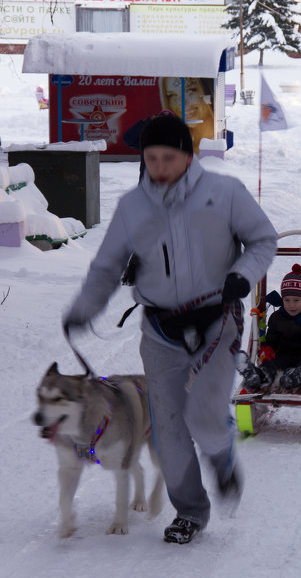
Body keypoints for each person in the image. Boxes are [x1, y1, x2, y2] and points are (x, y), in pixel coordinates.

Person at [62, 112, 278, 545]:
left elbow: (262, 240)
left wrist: (242, 273)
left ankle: (222, 456)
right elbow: (106, 267)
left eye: (167, 157)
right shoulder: (132, 207)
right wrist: (84, 308)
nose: (157, 167)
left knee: (203, 416)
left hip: (217, 321)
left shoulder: (225, 193)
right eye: (151, 158)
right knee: (168, 427)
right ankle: (191, 511)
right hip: (161, 330)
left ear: (187, 156)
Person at [237, 264, 301, 391]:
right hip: (284, 356)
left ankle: (296, 378)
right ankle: (258, 376)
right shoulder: (277, 317)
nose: (291, 305)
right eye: (287, 300)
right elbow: (271, 341)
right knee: (272, 366)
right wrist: (266, 352)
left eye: (296, 300)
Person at [159, 76, 215, 154]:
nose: (181, 104)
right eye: (172, 95)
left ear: (208, 91)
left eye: (191, 90)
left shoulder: (215, 142)